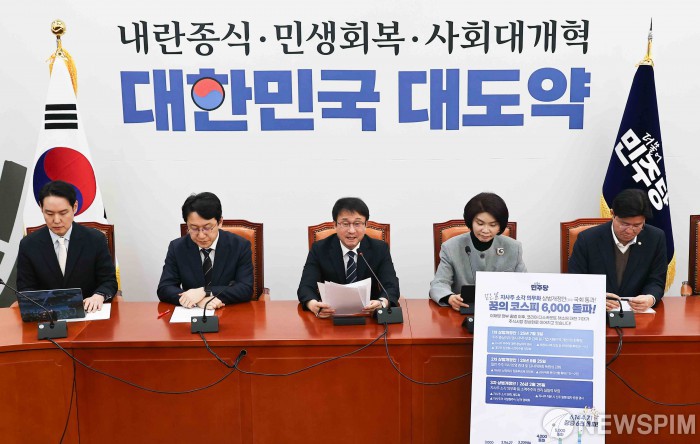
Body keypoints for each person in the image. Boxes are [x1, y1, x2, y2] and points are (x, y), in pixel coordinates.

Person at [17, 180, 117, 313]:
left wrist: (99, 296)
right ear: (41, 208)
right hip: (47, 315)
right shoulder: (28, 244)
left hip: (89, 313)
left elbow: (109, 281)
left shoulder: (95, 239)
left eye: (63, 213)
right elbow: (25, 289)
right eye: (49, 213)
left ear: (74, 207)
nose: (56, 220)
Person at [297, 197, 400, 318]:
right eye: (345, 224)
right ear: (335, 225)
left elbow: (391, 286)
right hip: (330, 316)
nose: (351, 231)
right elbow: (305, 287)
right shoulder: (319, 249)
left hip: (369, 316)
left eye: (357, 223)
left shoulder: (379, 249)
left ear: (365, 225)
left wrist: (382, 303)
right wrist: (313, 304)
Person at [568, 188, 666, 312]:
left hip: (637, 312)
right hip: (597, 311)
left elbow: (657, 280)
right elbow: (576, 279)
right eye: (624, 224)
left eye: (637, 225)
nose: (630, 231)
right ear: (612, 213)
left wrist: (650, 298)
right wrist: (595, 298)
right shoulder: (588, 239)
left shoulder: (655, 238)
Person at [430, 192, 526, 311]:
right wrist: (450, 297)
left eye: (493, 225)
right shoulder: (450, 247)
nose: (485, 230)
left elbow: (524, 284)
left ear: (500, 226)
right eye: (480, 223)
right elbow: (439, 283)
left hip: (500, 310)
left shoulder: (514, 247)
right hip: (463, 310)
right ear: (470, 221)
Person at [157, 192, 253, 308]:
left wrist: (206, 291)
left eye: (207, 228)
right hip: (192, 313)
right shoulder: (177, 247)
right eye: (194, 228)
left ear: (220, 222)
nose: (201, 235)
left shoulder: (240, 246)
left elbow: (245, 289)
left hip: (228, 311)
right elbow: (165, 288)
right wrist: (195, 301)